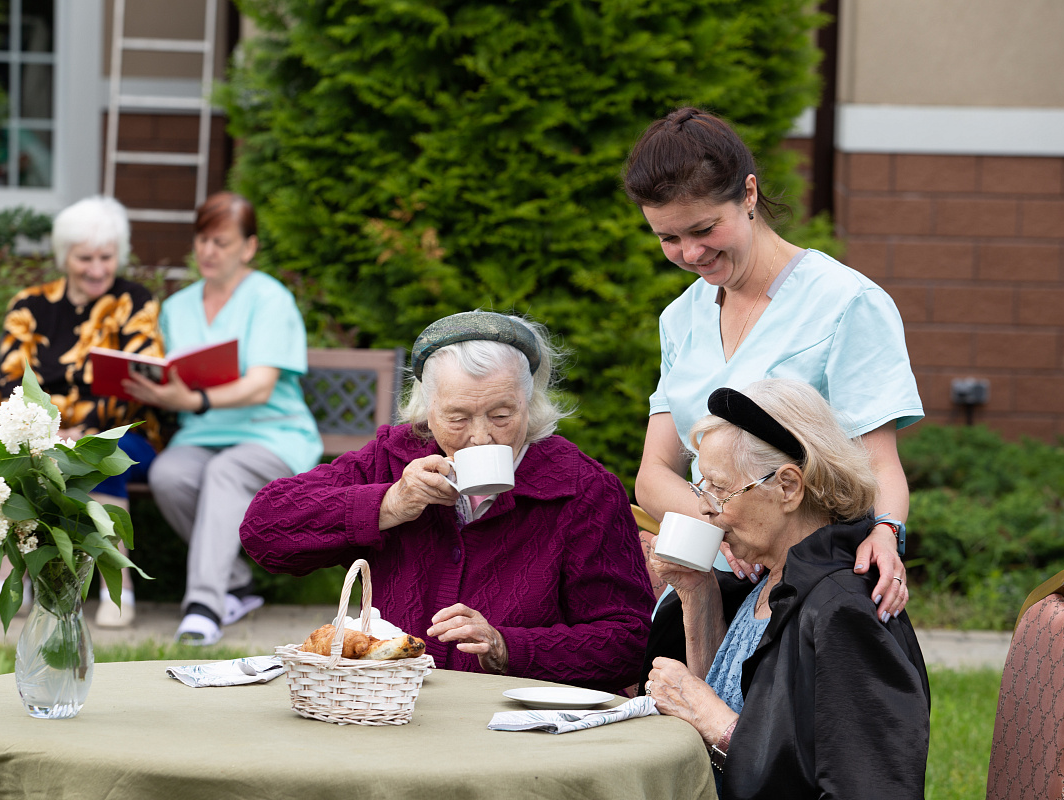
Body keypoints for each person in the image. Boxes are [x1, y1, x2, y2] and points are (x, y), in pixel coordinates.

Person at [238, 311, 655, 693]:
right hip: (387, 708)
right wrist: (389, 503)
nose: (481, 437)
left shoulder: (582, 488)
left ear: (530, 403)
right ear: (427, 410)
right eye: (457, 418)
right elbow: (263, 530)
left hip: (514, 724)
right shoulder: (394, 457)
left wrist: (505, 646)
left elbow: (629, 641)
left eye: (502, 415)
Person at [622, 107, 921, 635]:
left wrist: (887, 532)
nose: (691, 252)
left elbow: (878, 464)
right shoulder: (681, 317)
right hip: (705, 583)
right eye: (668, 238)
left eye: (705, 228)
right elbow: (652, 474)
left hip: (804, 589)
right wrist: (722, 525)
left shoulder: (847, 303)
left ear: (750, 194)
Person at [643, 379, 930, 798]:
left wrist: (718, 727)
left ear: (788, 487)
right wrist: (698, 597)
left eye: (720, 488)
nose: (705, 506)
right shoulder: (771, 581)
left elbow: (869, 787)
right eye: (701, 486)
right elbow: (732, 696)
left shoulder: (844, 610)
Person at [124, 192, 323, 647]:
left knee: (225, 471)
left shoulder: (271, 299)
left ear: (248, 247)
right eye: (202, 240)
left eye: (221, 241)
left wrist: (193, 399)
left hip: (272, 435)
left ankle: (204, 606)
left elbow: (261, 386)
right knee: (170, 473)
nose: (208, 251)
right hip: (203, 434)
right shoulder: (177, 307)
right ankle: (235, 583)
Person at [0, 195, 160, 627]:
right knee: (15, 460)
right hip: (42, 435)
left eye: (106, 257)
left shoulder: (134, 300)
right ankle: (6, 586)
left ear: (119, 255)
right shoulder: (29, 306)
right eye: (84, 257)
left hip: (119, 434)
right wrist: (51, 430)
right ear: (64, 256)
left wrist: (85, 428)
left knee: (101, 457)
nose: (96, 268)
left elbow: (140, 378)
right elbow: (9, 380)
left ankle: (118, 591)